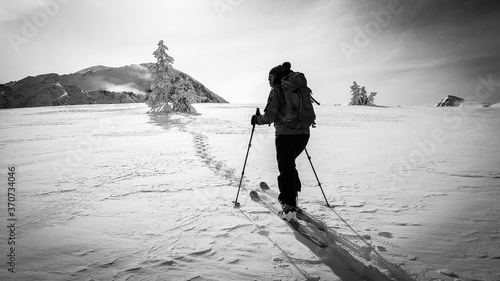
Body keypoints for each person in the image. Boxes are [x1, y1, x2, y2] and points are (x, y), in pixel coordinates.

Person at [251, 62, 310, 221]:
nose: (269, 81)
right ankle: (293, 194)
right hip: (303, 134)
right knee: (289, 165)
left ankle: (289, 206)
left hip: (285, 136)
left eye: (269, 77)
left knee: (286, 169)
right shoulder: (298, 88)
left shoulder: (277, 90)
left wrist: (257, 120)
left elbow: (270, 116)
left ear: (275, 76)